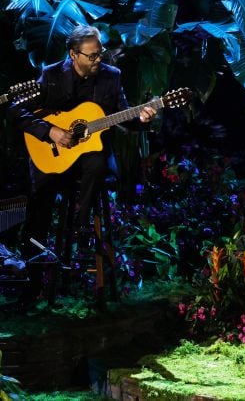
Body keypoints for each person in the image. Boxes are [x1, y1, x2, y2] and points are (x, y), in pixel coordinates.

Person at [11, 24, 156, 302]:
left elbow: (123, 116)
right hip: (52, 155)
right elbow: (17, 112)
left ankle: (81, 223)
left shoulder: (111, 77)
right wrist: (50, 131)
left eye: (100, 54)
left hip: (91, 161)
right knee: (39, 206)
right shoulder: (51, 75)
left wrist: (142, 118)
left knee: (97, 160)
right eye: (91, 56)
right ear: (73, 54)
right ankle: (31, 286)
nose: (98, 60)